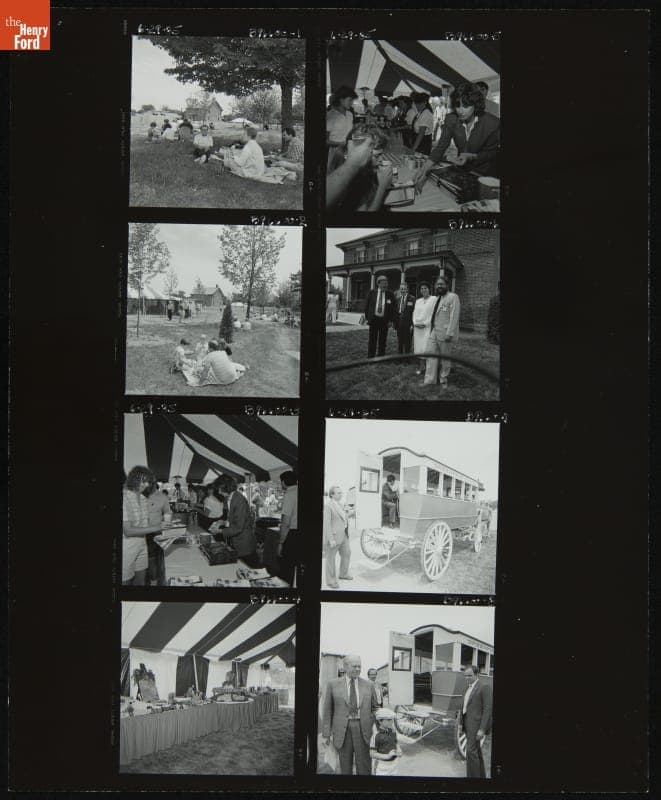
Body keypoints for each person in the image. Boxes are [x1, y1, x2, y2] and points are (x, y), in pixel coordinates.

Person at [414, 82, 500, 191]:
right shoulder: (451, 119)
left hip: (485, 175)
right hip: (462, 170)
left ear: (476, 105)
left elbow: (492, 153)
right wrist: (422, 170)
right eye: (457, 105)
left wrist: (472, 156)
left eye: (466, 106)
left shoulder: (492, 123)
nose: (460, 110)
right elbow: (440, 148)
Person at [321, 654, 379, 776]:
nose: (358, 669)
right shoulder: (333, 684)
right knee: (344, 767)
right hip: (342, 731)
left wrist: (370, 723)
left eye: (360, 666)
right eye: (354, 666)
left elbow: (376, 708)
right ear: (345, 666)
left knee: (364, 767)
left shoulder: (369, 685)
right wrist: (326, 734)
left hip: (363, 730)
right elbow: (327, 710)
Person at [122, 466, 161, 585]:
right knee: (125, 581)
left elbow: (145, 525)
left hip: (142, 543)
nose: (145, 484)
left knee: (141, 579)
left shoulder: (143, 498)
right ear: (133, 479)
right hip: (127, 546)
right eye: (142, 481)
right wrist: (158, 527)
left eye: (147, 482)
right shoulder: (124, 497)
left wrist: (166, 525)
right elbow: (128, 531)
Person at [424, 276, 461, 389]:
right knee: (430, 354)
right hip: (434, 331)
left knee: (445, 358)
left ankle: (443, 379)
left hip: (445, 333)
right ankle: (430, 379)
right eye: (437, 284)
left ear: (447, 285)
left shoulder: (453, 297)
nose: (439, 286)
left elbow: (454, 316)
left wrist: (449, 334)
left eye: (441, 284)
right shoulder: (437, 298)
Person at [217, 475, 258, 567]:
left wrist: (220, 531)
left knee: (249, 568)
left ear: (227, 487)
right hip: (236, 542)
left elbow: (239, 527)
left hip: (244, 543)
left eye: (220, 489)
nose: (219, 492)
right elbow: (234, 519)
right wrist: (223, 522)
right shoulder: (229, 498)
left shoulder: (239, 500)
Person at [459, 665, 492, 778]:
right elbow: (463, 707)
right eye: (465, 676)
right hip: (467, 725)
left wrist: (482, 729)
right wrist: (460, 724)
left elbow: (487, 710)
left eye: (470, 675)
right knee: (476, 751)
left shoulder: (484, 687)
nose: (467, 678)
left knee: (470, 752)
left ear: (477, 674)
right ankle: (481, 776)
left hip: (476, 727)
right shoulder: (467, 688)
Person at [323, 486, 351, 589]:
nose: (341, 494)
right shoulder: (328, 506)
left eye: (341, 493)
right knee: (330, 559)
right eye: (338, 493)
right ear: (332, 495)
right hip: (334, 537)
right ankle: (331, 581)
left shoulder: (340, 505)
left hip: (343, 535)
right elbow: (326, 524)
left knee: (347, 553)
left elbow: (343, 518)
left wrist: (348, 512)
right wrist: (330, 539)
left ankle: (343, 574)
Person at [144, 478, 169, 586]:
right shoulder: (140, 498)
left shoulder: (161, 498)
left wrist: (165, 520)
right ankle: (153, 581)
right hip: (145, 534)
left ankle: (158, 580)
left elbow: (167, 514)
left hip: (157, 532)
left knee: (158, 557)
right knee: (151, 559)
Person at [326, 86, 357, 173]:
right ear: (341, 100)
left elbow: (349, 135)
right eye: (350, 100)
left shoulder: (350, 114)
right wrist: (341, 143)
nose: (352, 103)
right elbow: (325, 140)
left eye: (352, 101)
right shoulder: (330, 115)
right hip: (335, 153)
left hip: (349, 152)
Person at [365, 275, 396, 359]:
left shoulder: (390, 294)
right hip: (374, 319)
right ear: (378, 284)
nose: (385, 285)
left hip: (384, 320)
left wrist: (391, 320)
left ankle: (381, 356)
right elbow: (367, 306)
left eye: (386, 283)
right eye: (383, 283)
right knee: (372, 339)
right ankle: (371, 356)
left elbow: (393, 308)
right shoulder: (372, 293)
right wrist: (367, 317)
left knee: (382, 339)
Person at [278, 470, 299, 585]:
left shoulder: (289, 494)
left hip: (293, 535)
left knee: (286, 568)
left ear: (283, 482)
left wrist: (281, 543)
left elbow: (285, 522)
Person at [369, 708, 402, 776]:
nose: (392, 722)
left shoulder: (393, 732)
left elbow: (396, 742)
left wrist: (399, 749)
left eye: (392, 719)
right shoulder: (376, 736)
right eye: (389, 720)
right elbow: (372, 753)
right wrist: (387, 756)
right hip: (382, 766)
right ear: (380, 721)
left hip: (394, 764)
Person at [412, 282, 434, 377]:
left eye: (425, 288)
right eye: (422, 288)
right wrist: (415, 323)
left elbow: (433, 314)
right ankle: (421, 367)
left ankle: (429, 368)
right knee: (419, 348)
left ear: (429, 289)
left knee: (426, 348)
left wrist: (425, 324)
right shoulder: (418, 301)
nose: (424, 290)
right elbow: (414, 313)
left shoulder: (434, 299)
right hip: (418, 328)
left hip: (427, 328)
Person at [395, 281, 416, 355]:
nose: (402, 290)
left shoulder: (412, 298)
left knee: (407, 341)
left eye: (404, 289)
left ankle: (407, 357)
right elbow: (396, 312)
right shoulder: (398, 299)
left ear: (407, 289)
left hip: (408, 323)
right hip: (399, 322)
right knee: (400, 340)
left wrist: (412, 324)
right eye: (401, 289)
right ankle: (400, 356)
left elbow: (414, 312)